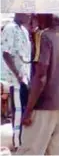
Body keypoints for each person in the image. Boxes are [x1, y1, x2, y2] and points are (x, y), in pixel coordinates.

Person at [16, 15, 59, 155]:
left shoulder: (43, 36)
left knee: (30, 150)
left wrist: (28, 110)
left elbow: (40, 76)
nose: (33, 17)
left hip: (43, 104)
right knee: (54, 152)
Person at [1, 13, 31, 149]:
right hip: (16, 79)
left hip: (25, 78)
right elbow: (6, 54)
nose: (29, 16)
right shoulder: (10, 28)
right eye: (27, 14)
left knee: (24, 110)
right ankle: (18, 144)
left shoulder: (24, 30)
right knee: (18, 112)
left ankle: (23, 142)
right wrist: (17, 74)